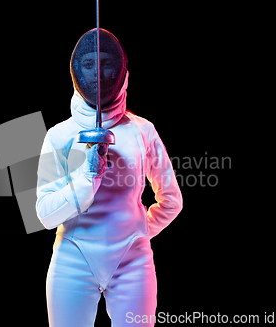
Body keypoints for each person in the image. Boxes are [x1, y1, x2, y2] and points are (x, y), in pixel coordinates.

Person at [36, 28, 183, 327]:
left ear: (121, 71)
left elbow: (171, 201)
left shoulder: (143, 131)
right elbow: (45, 214)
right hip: (72, 260)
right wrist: (86, 179)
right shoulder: (59, 135)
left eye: (107, 64)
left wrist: (134, 231)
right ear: (76, 71)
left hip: (133, 262)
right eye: (89, 64)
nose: (99, 74)